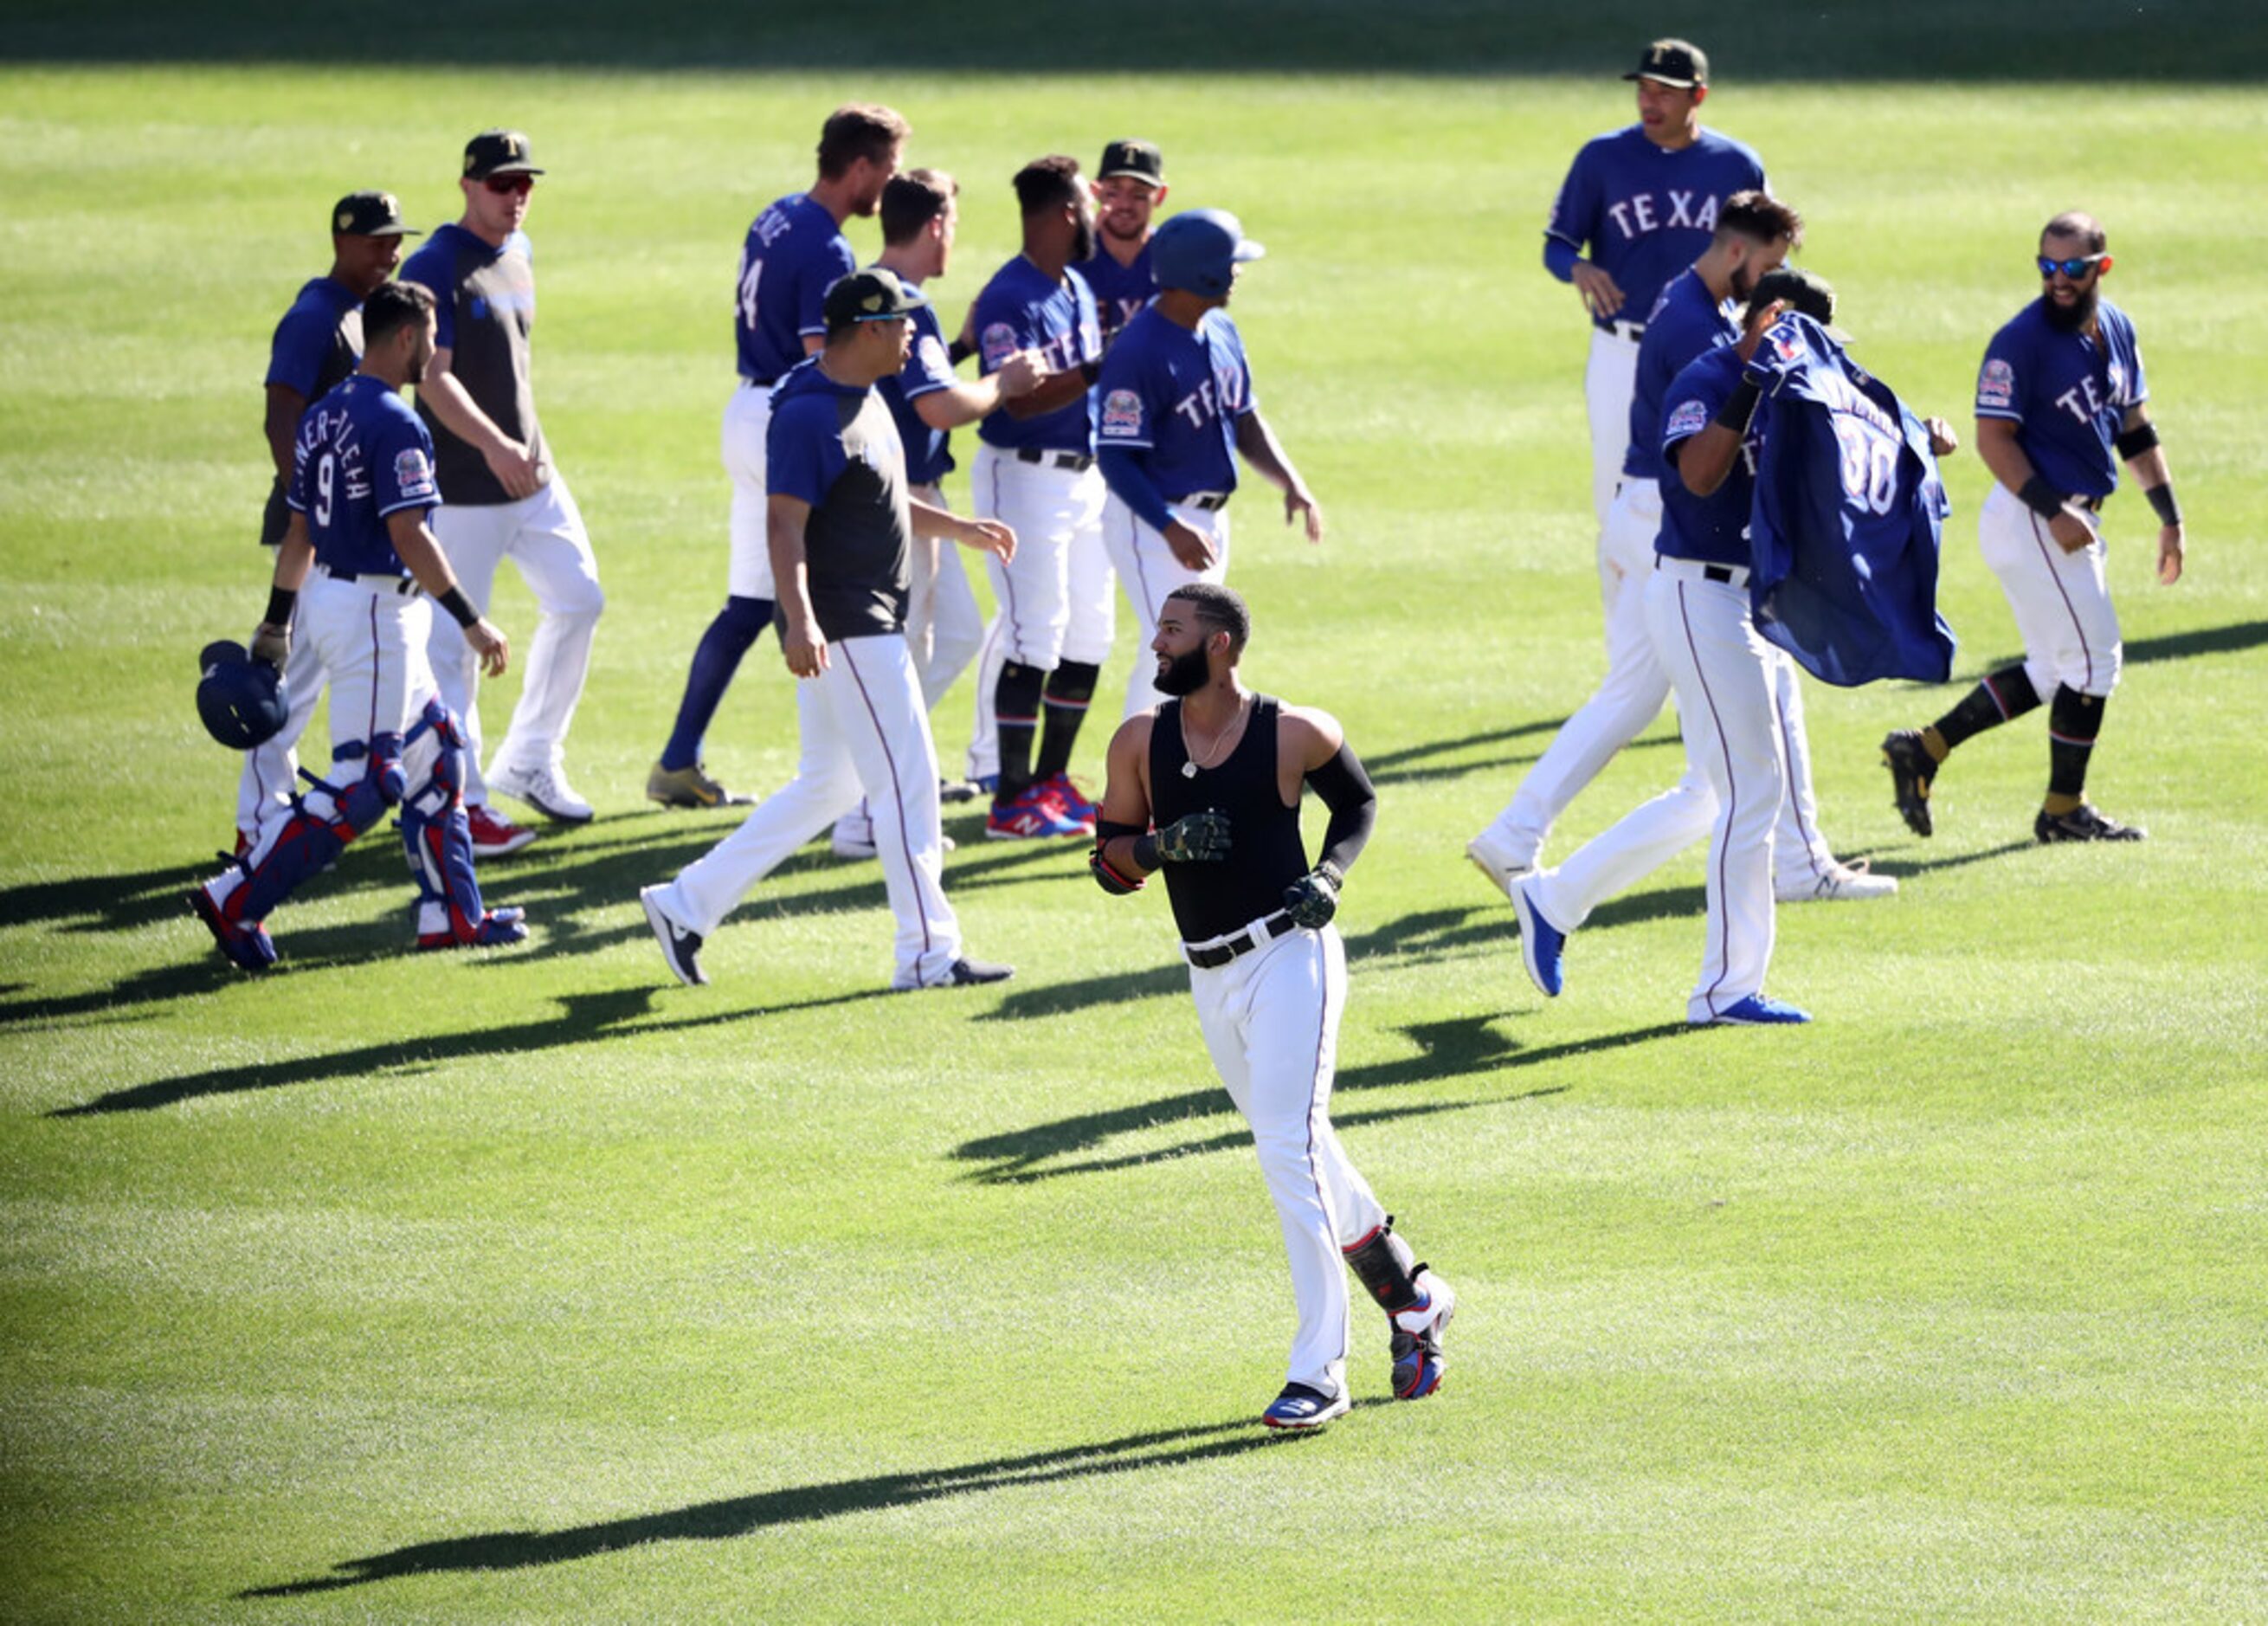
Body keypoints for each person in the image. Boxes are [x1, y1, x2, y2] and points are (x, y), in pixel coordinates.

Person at [1511, 270, 1957, 1027]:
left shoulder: (1801, 382)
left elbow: (1862, 433)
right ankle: (1723, 991)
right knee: (1755, 790)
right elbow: (1698, 472)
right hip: (1697, 595)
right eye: (1805, 336)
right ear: (1773, 318)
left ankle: (1554, 898)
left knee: (1714, 792)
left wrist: (1920, 435)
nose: (1817, 353)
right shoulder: (1710, 376)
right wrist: (1750, 383)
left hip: (1755, 602)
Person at [1088, 584, 1455, 1429]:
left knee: (1285, 1151)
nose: (1155, 646)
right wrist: (1157, 846)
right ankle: (1413, 1296)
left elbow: (1357, 803)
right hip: (1209, 976)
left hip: (1292, 957)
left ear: (1219, 647)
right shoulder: (1138, 740)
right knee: (1301, 1142)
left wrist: (1329, 876)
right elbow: (1108, 863)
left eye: (1172, 632)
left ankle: (1319, 1372)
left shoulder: (1294, 731)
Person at [1472, 191, 1893, 905]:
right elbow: (1726, 441)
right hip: (1664, 515)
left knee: (1634, 695)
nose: (1771, 281)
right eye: (1769, 265)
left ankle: (1515, 834)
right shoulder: (1702, 331)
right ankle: (1797, 862)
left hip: (1640, 511)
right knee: (1766, 684)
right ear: (1737, 252)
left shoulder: (1692, 298)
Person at [639, 269, 1018, 993]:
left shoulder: (861, 397)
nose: (916, 333)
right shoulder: (810, 414)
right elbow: (784, 522)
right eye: (905, 323)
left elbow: (879, 497)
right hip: (848, 626)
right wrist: (802, 619)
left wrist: (958, 528)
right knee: (908, 786)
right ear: (871, 328)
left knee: (829, 784)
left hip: (857, 621)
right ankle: (927, 954)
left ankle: (683, 905)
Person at [188, 281, 525, 970]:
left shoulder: (321, 416)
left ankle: (452, 917)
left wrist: (278, 621)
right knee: (368, 781)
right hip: (376, 613)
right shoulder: (399, 423)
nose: (433, 354)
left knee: (437, 752)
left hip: (336, 600)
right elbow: (409, 536)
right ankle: (237, 899)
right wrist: (471, 620)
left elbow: (300, 531)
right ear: (405, 337)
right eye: (429, 340)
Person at [1882, 210, 2185, 844]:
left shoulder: (2117, 329)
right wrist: (2054, 511)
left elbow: (2135, 428)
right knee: (2096, 665)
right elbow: (1994, 439)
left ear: (2100, 267)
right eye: (2047, 266)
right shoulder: (2020, 341)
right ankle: (2062, 811)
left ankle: (1925, 749)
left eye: (2072, 267)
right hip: (2033, 519)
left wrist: (2169, 516)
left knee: (2054, 673)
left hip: (2063, 522)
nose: (2058, 279)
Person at [649, 103, 911, 811]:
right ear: (859, 166)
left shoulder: (778, 213)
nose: (887, 185)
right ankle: (848, 771)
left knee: (747, 600)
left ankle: (677, 760)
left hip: (748, 409)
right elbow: (821, 360)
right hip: (785, 416)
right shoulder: (827, 247)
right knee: (817, 581)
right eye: (885, 169)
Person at [831, 169, 1047, 859]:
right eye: (952, 222)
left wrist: (958, 346)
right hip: (902, 502)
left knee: (952, 635)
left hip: (903, 496)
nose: (954, 235)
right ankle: (865, 806)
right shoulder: (907, 303)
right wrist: (1002, 382)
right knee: (912, 650)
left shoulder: (879, 294)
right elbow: (939, 407)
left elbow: (914, 382)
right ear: (935, 226)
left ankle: (881, 787)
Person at [403, 128, 605, 852]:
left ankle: (529, 759)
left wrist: (522, 449)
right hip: (462, 486)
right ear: (467, 186)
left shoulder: (520, 253)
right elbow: (432, 373)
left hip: (531, 474)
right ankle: (464, 803)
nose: (516, 196)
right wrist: (493, 445)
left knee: (580, 599)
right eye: (501, 184)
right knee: (454, 645)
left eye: (525, 184)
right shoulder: (436, 266)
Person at [235, 190, 421, 855]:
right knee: (289, 685)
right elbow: (280, 414)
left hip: (342, 535)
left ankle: (269, 822)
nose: (390, 253)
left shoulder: (363, 312)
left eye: (396, 241)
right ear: (341, 242)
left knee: (306, 678)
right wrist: (309, 509)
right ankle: (257, 825)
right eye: (377, 243)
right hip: (315, 532)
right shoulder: (315, 315)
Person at [1095, 208, 1322, 722]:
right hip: (1153, 519)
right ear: (1202, 273)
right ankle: (1137, 788)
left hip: (1206, 519)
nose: (1237, 272)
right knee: (1179, 652)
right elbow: (1114, 458)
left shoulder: (1220, 329)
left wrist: (1291, 481)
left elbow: (1244, 418)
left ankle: (1158, 783)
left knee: (1191, 652)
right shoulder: (1139, 350)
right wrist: (1170, 526)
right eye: (1230, 263)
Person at [1544, 39, 1767, 529]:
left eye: (1666, 92)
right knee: (1617, 488)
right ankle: (1622, 604)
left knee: (1710, 478)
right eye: (1644, 89)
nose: (1650, 102)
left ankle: (1686, 597)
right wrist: (1577, 268)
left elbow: (1768, 256)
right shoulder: (1601, 159)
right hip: (1621, 350)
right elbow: (1556, 246)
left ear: (1698, 97)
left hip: (1708, 349)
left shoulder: (1736, 165)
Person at [962, 156, 1111, 841]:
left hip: (1083, 478)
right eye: (1090, 203)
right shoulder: (1009, 299)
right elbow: (1016, 403)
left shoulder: (1075, 286)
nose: (1099, 214)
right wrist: (1099, 366)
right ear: (1064, 213)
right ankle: (1010, 802)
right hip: (1020, 477)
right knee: (1033, 637)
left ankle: (1051, 782)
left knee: (1088, 636)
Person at [1083, 138, 1169, 347]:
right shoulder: (1070, 259)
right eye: (1113, 192)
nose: (1125, 205)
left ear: (1160, 196)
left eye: (1139, 194)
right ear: (1095, 192)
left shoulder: (1174, 260)